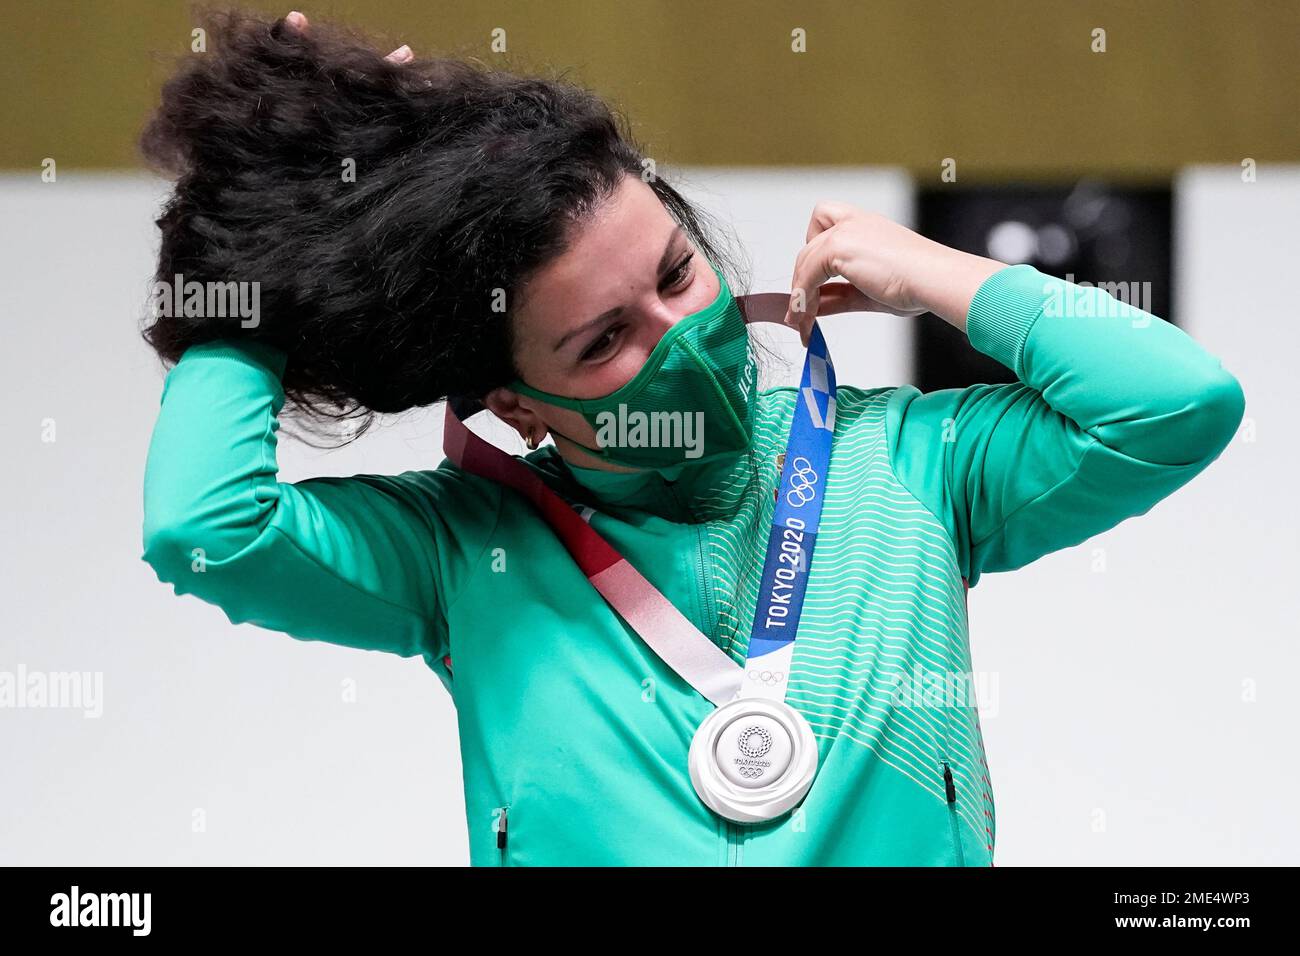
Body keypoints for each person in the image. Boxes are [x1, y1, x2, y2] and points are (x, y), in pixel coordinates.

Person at [139, 10, 1245, 866]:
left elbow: (1176, 401)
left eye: (677, 273)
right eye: (604, 339)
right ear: (514, 403)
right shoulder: (456, 551)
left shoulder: (918, 463)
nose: (681, 336)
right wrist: (243, 260)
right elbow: (204, 526)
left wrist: (943, 279)